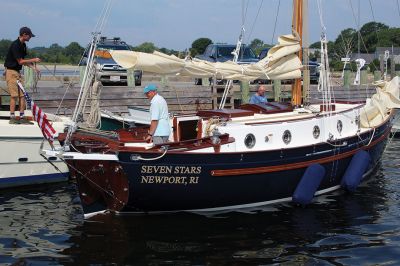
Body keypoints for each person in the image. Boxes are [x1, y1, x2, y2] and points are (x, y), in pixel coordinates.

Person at [4, 26, 41, 124]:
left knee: (22, 95)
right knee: (14, 96)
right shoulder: (15, 45)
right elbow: (20, 61)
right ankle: (12, 117)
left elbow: (24, 61)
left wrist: (34, 68)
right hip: (11, 72)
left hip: (17, 73)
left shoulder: (23, 45)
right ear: (24, 34)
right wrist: (34, 60)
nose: (30, 38)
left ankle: (21, 116)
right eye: (29, 36)